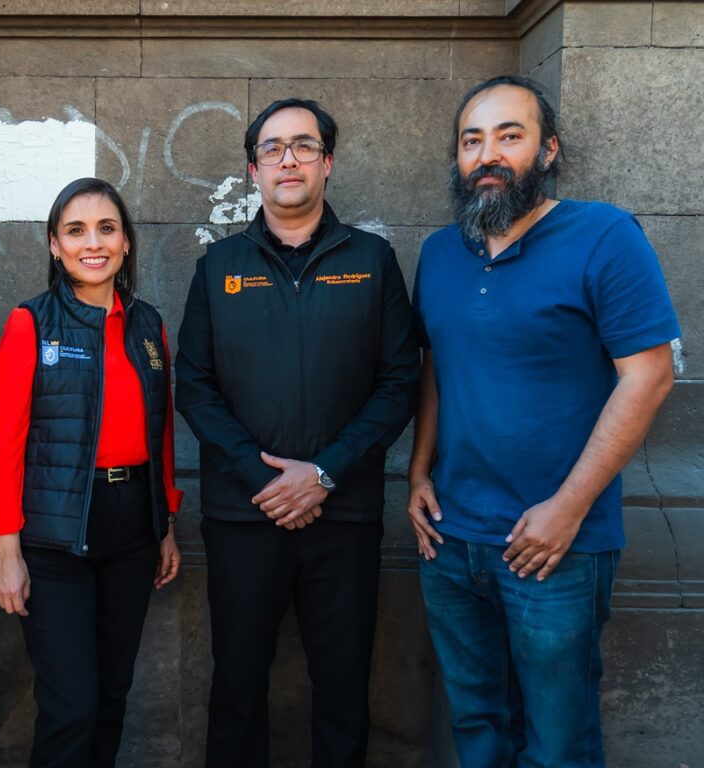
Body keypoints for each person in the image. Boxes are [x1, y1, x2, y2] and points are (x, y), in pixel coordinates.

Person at [408, 75, 680, 768]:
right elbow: (438, 364)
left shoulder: (604, 235)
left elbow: (648, 376)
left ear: (548, 149)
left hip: (555, 546)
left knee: (559, 745)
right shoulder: (441, 252)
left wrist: (568, 506)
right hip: (451, 541)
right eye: (473, 140)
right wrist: (416, 472)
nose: (489, 153)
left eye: (510, 135)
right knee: (477, 730)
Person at [175, 98, 419, 767]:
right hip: (241, 516)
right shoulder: (218, 266)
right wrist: (265, 478)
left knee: (343, 694)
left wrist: (324, 473)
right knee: (237, 691)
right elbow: (193, 385)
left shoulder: (372, 261)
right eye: (273, 148)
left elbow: (400, 382)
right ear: (253, 170)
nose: (289, 159)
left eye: (304, 146)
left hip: (344, 519)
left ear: (328, 163)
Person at [0, 177, 183, 768]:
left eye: (106, 228)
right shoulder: (31, 323)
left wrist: (166, 520)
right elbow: (8, 440)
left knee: (110, 697)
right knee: (70, 706)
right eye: (75, 231)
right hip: (54, 536)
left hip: (132, 532)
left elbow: (163, 431)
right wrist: (6, 550)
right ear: (54, 245)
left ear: (126, 243)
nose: (91, 243)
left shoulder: (149, 326)